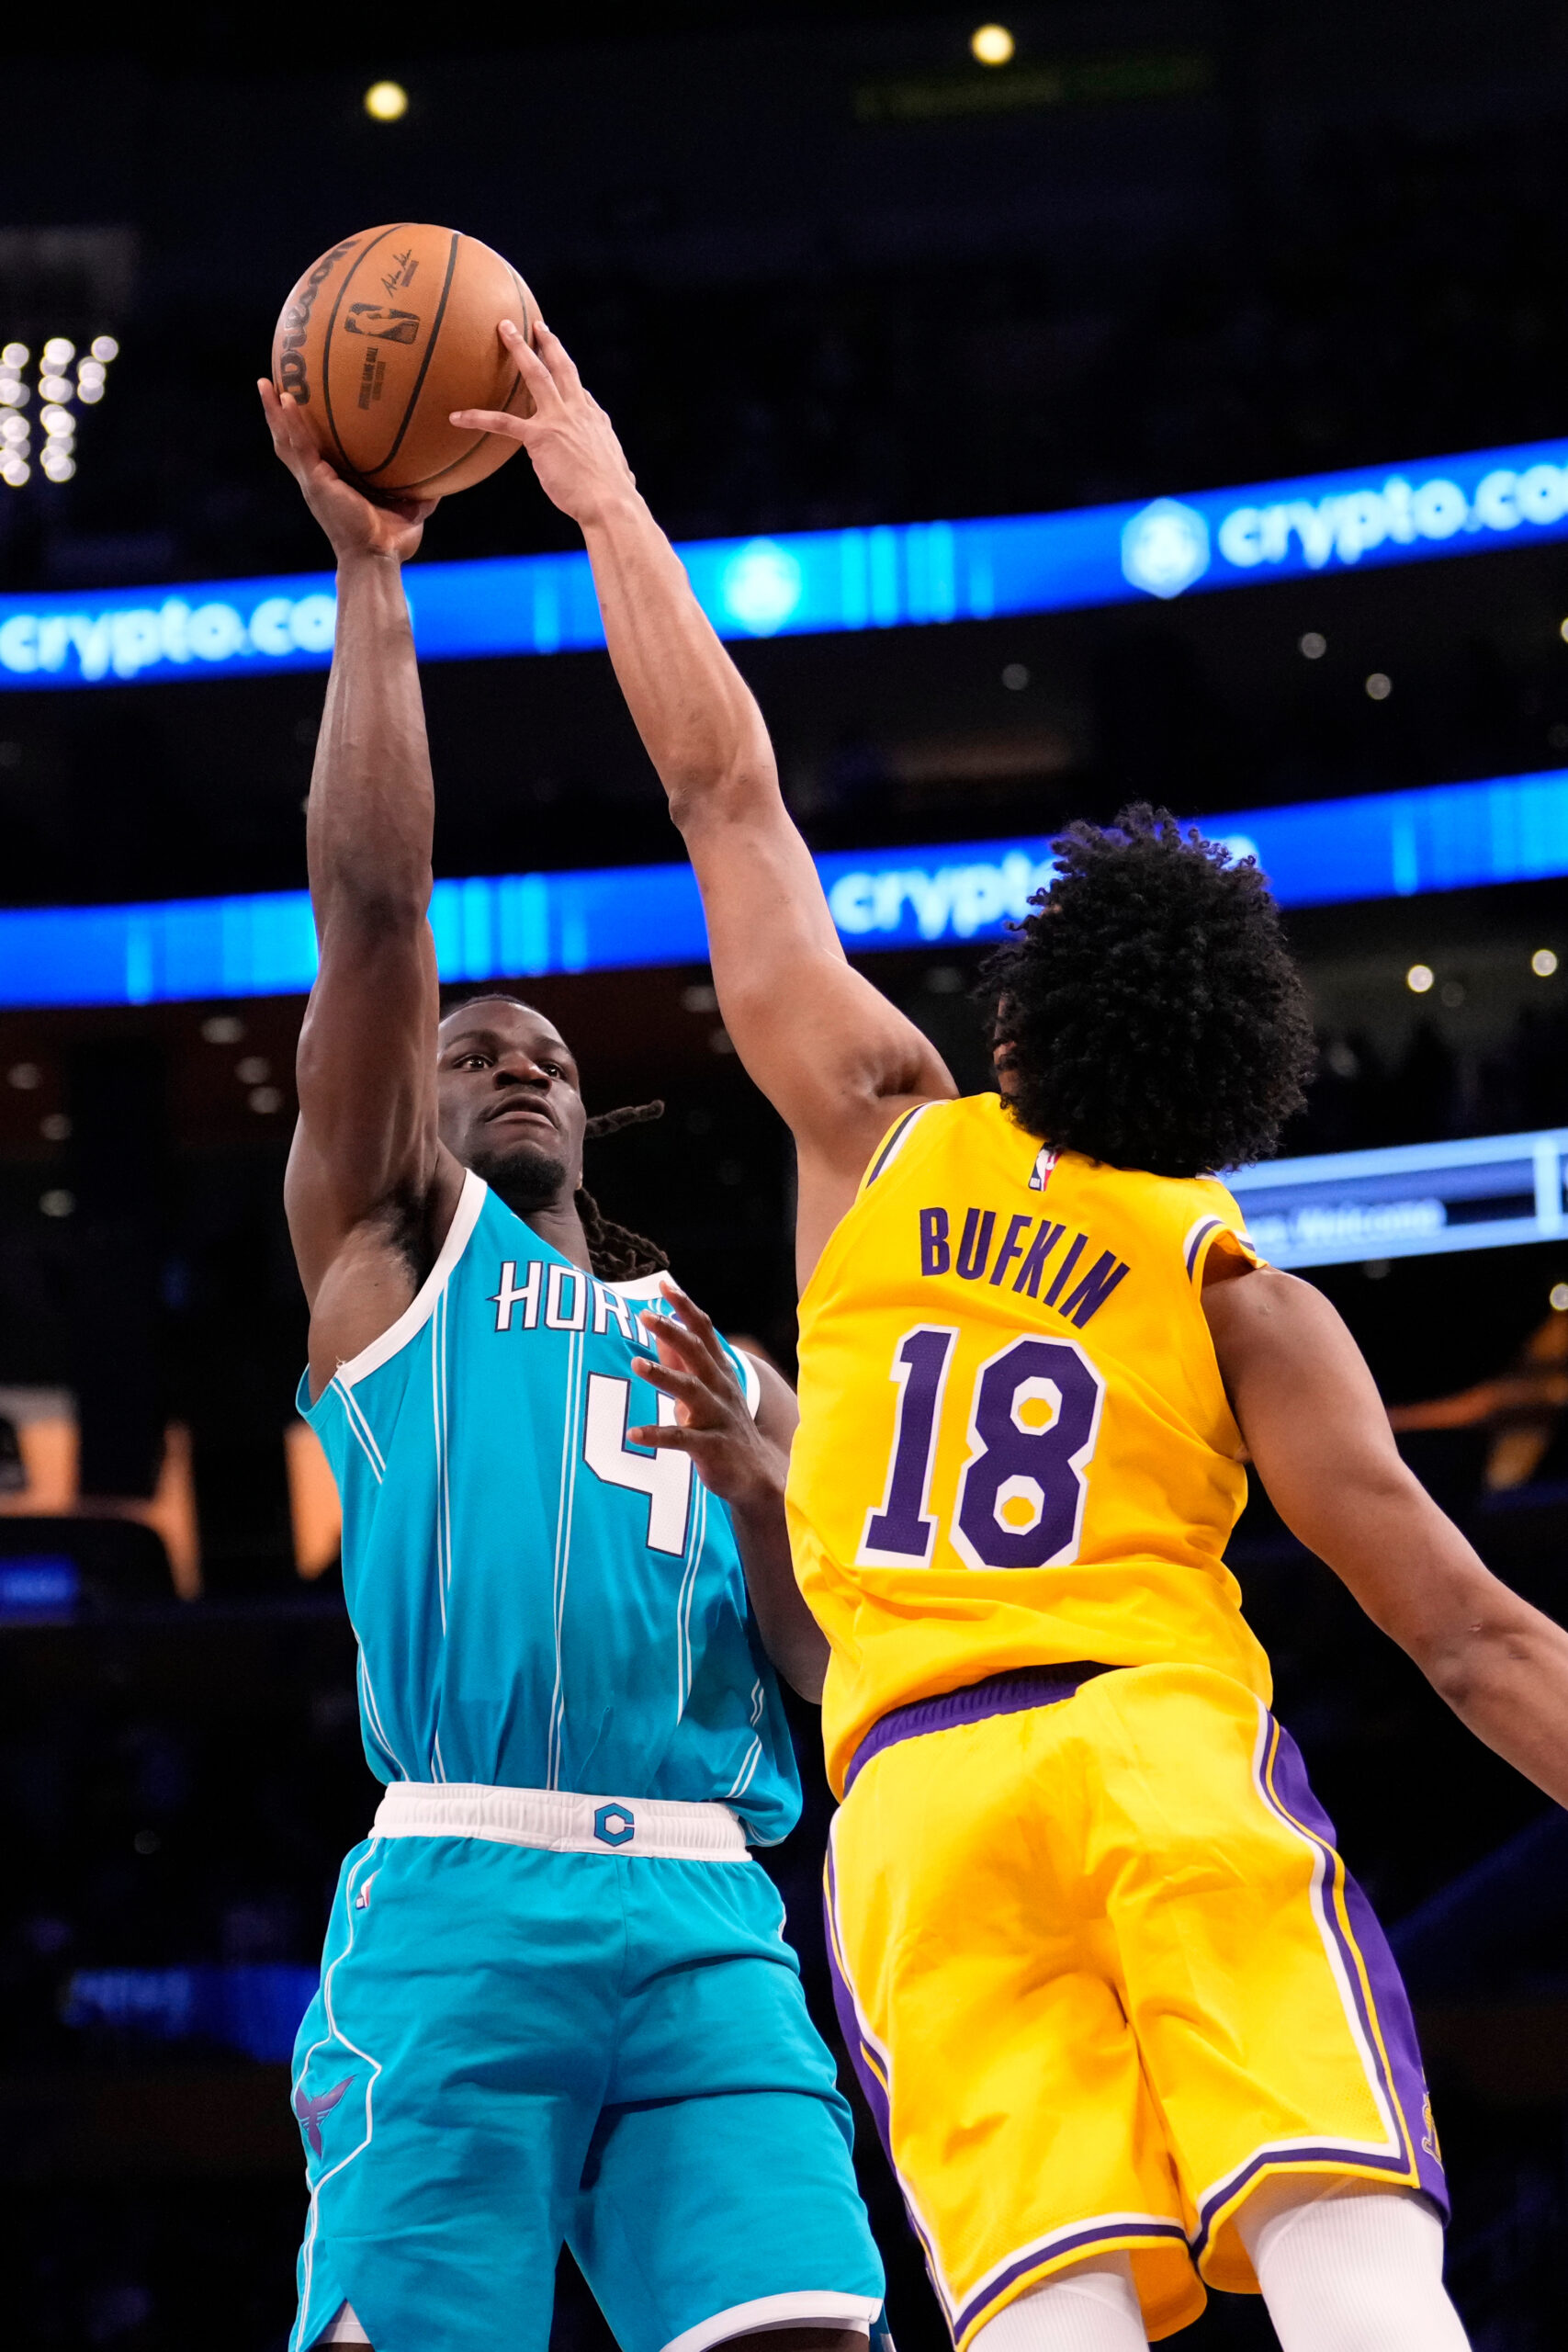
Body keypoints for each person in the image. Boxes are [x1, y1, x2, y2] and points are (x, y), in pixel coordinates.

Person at [460, 320, 1568, 2352]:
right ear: (1233, 1085)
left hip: (911, 1798)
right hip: (1156, 1746)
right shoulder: (1247, 1293)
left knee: (1049, 2314)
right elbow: (1475, 1638)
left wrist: (604, 495)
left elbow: (722, 790)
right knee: (1346, 2255)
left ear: (1014, 1022)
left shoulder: (876, 1125)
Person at [257, 379, 886, 2352]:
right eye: (469, 1048)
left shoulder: (727, 1354)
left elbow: (821, 1662)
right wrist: (373, 585)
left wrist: (768, 1488)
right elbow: (372, 913)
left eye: (543, 1049)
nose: (511, 1053)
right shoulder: (382, 1259)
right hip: (460, 1891)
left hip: (713, 1912)